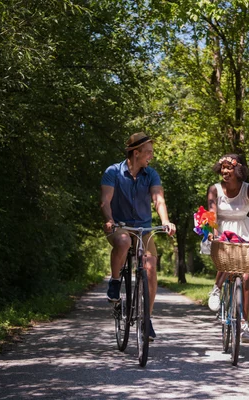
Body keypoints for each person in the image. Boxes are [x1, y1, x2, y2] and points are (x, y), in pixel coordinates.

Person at [100, 132, 176, 341]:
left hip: (143, 229)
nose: (151, 156)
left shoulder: (151, 174)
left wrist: (165, 221)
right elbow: (106, 201)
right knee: (123, 241)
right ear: (136, 153)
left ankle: (146, 318)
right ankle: (115, 282)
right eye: (148, 152)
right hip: (120, 226)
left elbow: (158, 199)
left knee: (150, 268)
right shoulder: (113, 172)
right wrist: (109, 219)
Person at [206, 154, 249, 344]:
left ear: (238, 170)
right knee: (226, 260)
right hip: (222, 228)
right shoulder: (214, 189)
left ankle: (244, 323)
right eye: (222, 168)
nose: (224, 171)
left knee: (247, 276)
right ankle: (216, 289)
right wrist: (212, 231)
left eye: (228, 168)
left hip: (244, 228)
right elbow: (211, 213)